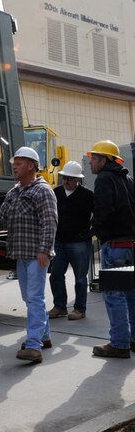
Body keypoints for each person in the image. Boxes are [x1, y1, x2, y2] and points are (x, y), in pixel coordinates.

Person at [0, 146, 57, 364]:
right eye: (14, 163)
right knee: (30, 298)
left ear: (31, 166)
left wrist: (44, 250)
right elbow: (1, 219)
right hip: (21, 254)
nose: (14, 167)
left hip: (37, 255)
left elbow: (50, 221)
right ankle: (44, 336)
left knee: (34, 298)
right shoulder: (14, 192)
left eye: (19, 163)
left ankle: (33, 345)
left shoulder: (42, 191)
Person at [87, 140, 135, 359]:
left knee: (114, 296)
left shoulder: (104, 178)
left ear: (104, 160)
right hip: (130, 245)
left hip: (115, 246)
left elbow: (103, 209)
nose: (90, 163)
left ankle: (119, 344)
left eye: (93, 159)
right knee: (131, 295)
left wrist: (94, 228)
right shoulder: (128, 180)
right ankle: (132, 339)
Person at [48, 161, 94, 321]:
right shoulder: (55, 193)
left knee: (80, 277)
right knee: (55, 275)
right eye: (64, 178)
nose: (66, 181)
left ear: (78, 180)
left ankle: (80, 309)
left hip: (79, 243)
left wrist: (91, 232)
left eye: (70, 179)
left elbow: (100, 214)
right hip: (59, 242)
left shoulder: (88, 196)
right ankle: (60, 306)